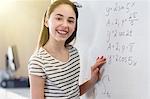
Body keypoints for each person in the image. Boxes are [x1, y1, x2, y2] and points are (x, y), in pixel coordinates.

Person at [28, 0, 106, 99]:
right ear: (46, 21)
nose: (65, 25)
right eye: (59, 18)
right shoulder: (38, 62)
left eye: (70, 21)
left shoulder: (74, 53)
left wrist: (92, 80)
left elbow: (73, 93)